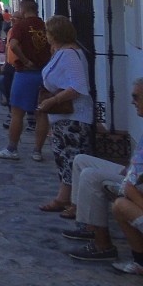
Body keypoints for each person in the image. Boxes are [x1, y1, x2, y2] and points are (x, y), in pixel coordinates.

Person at [62, 78, 143, 267]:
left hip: (136, 181)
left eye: (136, 97)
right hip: (132, 173)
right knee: (81, 160)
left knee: (91, 176)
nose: (133, 102)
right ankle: (87, 224)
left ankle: (102, 243)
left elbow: (132, 182)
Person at [37, 15, 92, 212]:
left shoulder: (70, 55)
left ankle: (75, 203)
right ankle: (65, 198)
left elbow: (78, 86)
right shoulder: (63, 52)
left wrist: (53, 100)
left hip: (74, 117)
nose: (46, 35)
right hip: (64, 118)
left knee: (71, 159)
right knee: (64, 157)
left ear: (56, 34)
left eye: (48, 32)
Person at [0, 0, 50, 161]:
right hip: (44, 73)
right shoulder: (44, 25)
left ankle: (12, 149)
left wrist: (25, 60)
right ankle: (37, 151)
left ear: (23, 10)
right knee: (42, 113)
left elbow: (13, 44)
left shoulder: (21, 26)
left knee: (17, 113)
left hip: (25, 73)